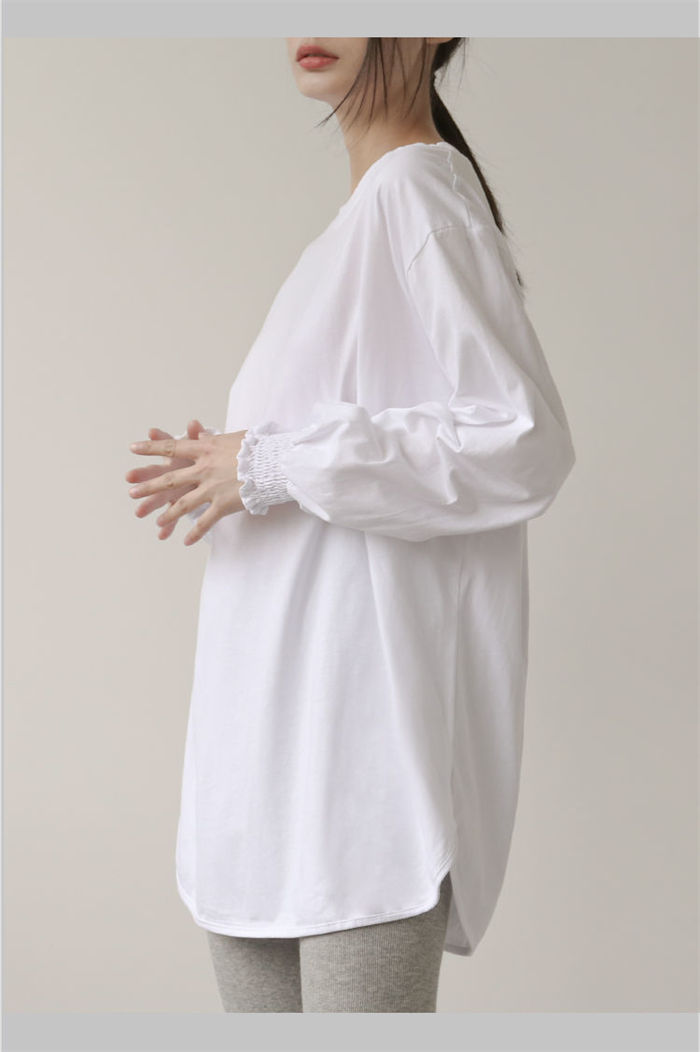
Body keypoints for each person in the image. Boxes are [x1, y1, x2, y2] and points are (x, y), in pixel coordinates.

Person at [125, 37, 576, 1012]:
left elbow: (524, 440)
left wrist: (272, 462)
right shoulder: (357, 226)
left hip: (354, 776)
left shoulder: (418, 195)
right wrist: (240, 466)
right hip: (260, 773)